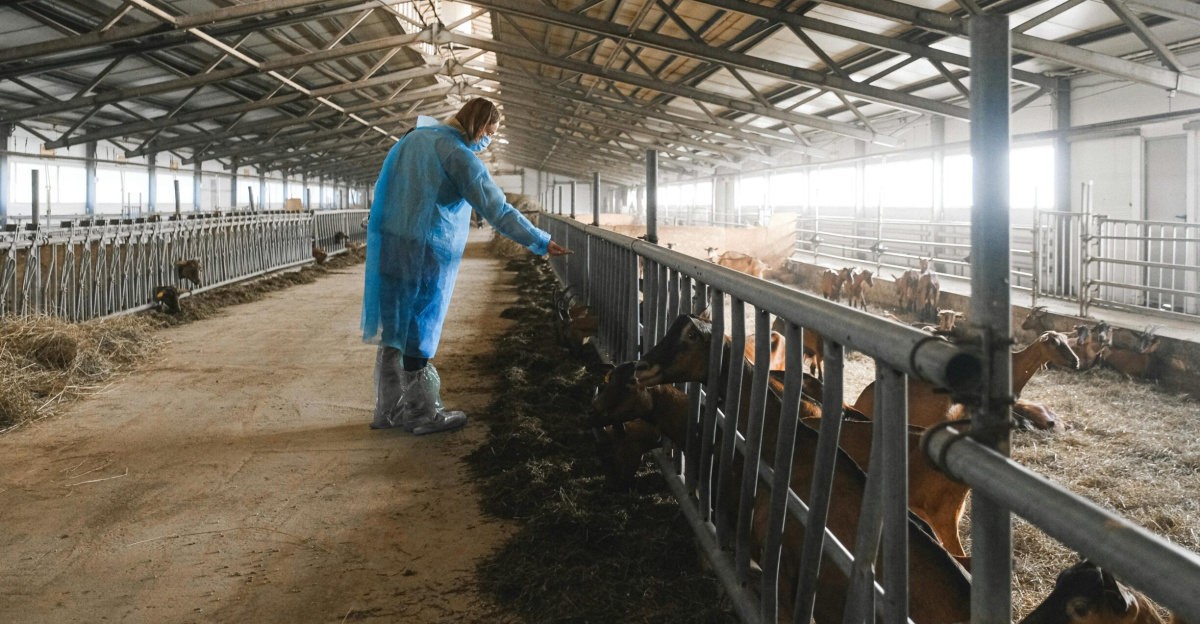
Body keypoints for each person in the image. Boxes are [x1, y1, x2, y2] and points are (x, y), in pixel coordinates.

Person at [362, 98, 570, 435]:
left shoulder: (411, 139)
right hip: (424, 247)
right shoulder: (458, 155)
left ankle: (389, 410)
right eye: (490, 131)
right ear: (480, 124)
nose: (488, 139)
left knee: (395, 325)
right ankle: (422, 414)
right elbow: (497, 210)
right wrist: (540, 240)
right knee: (418, 327)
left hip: (391, 243)